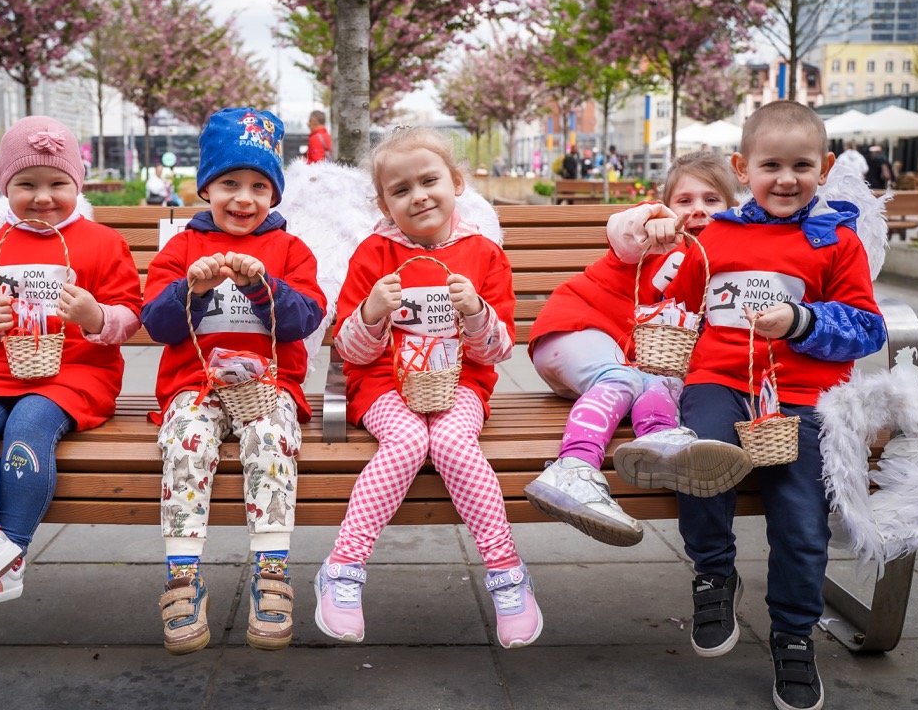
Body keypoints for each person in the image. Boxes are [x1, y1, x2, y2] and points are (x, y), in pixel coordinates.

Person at [614, 101, 886, 710]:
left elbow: (868, 328)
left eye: (802, 165)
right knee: (700, 457)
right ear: (743, 167)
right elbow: (668, 294)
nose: (786, 178)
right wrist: (660, 239)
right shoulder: (718, 235)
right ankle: (715, 572)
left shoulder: (836, 241)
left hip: (800, 397)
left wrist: (802, 320)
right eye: (771, 165)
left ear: (826, 167)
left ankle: (792, 633)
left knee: (798, 514)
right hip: (718, 379)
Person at [311, 127, 542, 650]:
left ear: (456, 182)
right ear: (384, 203)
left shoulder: (483, 254)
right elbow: (352, 352)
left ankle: (506, 571)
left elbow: (499, 351)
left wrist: (476, 311)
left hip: (459, 384)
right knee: (410, 440)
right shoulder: (373, 254)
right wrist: (371, 311)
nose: (418, 195)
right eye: (400, 189)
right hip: (382, 385)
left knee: (453, 440)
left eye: (429, 180)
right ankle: (343, 568)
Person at [0, 116, 143, 612]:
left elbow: (129, 316)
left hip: (76, 371)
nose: (43, 197)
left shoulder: (102, 244)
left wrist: (94, 316)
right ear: (5, 187)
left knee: (28, 423)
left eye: (58, 184)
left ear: (77, 185)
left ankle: (14, 550)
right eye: (26, 184)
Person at [141, 107, 326, 655]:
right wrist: (191, 293)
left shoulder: (290, 251)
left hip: (268, 387)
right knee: (185, 440)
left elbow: (304, 320)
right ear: (206, 188)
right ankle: (182, 575)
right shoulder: (181, 249)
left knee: (270, 439)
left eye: (259, 186)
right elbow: (157, 323)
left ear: (274, 195)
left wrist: (261, 286)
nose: (244, 199)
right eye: (229, 183)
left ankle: (272, 569)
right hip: (193, 386)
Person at [523, 151, 743, 547]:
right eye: (684, 200)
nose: (697, 209)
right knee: (624, 376)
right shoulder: (657, 242)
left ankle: (659, 444)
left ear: (731, 208)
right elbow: (624, 230)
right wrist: (654, 221)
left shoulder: (722, 260)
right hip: (572, 330)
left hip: (618, 362)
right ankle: (572, 468)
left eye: (711, 201)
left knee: (660, 383)